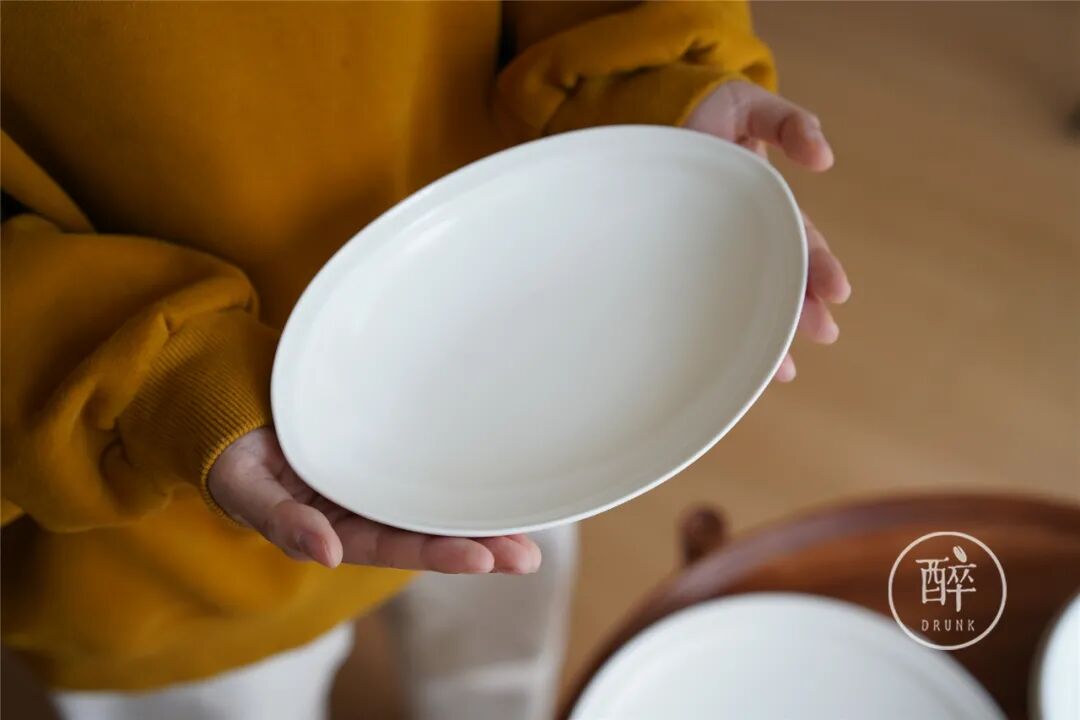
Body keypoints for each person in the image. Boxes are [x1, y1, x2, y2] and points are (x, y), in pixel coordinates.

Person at [0, 2, 849, 719]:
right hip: (143, 523)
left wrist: (641, 87)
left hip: (514, 338)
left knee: (499, 648)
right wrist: (146, 373)